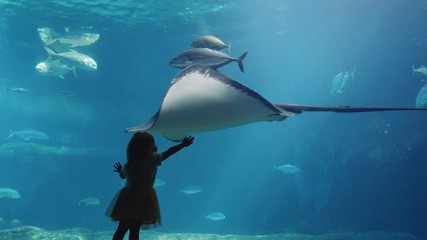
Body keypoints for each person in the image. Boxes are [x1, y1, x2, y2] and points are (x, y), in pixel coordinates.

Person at [105, 132, 194, 240]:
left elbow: (123, 176)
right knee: (135, 231)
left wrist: (120, 170)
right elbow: (168, 152)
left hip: (128, 198)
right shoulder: (153, 159)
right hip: (143, 199)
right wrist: (182, 145)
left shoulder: (131, 162)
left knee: (121, 229)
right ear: (149, 146)